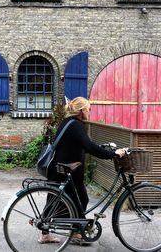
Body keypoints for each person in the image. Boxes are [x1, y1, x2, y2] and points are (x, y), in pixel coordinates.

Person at [38, 96, 126, 244]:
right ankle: (74, 233)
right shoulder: (76, 125)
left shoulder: (69, 122)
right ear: (81, 110)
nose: (90, 111)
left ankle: (58, 233)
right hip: (65, 170)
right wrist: (113, 154)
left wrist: (101, 147)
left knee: (60, 200)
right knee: (72, 200)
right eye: (88, 109)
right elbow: (89, 147)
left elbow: (78, 144)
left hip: (63, 168)